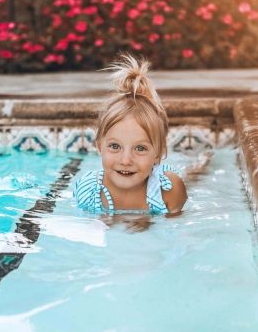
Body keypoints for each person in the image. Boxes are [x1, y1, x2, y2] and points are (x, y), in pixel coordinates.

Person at [73, 53, 187, 214]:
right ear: (99, 146)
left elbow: (173, 232)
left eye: (140, 148)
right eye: (114, 146)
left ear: (158, 153)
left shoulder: (169, 191)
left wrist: (148, 222)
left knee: (194, 176)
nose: (126, 160)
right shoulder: (89, 191)